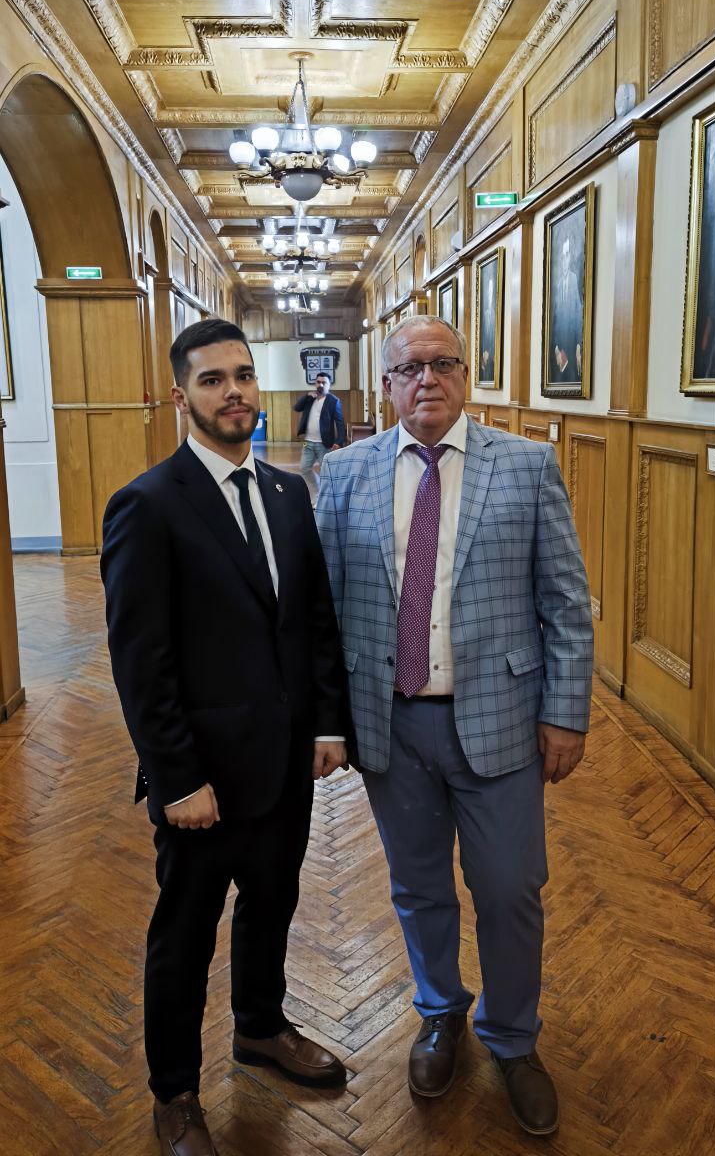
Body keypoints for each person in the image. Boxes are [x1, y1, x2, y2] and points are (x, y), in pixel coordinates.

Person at [316, 315, 593, 1137]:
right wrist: (326, 721)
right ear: (387, 385)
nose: (427, 380)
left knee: (510, 889)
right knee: (418, 886)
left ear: (466, 376)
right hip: (389, 724)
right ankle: (440, 1012)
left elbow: (566, 602)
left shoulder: (527, 465)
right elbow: (321, 613)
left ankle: (513, 1038)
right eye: (409, 368)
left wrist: (565, 713)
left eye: (442, 364)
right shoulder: (345, 472)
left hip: (502, 720)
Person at [101, 318, 351, 1156]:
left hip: (285, 762)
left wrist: (326, 722)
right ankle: (174, 1091)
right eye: (212, 380)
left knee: (272, 904)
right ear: (182, 396)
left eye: (242, 375)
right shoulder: (147, 505)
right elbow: (142, 663)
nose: (233, 391)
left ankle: (260, 1027)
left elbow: (312, 619)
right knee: (184, 935)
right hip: (201, 778)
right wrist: (176, 778)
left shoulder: (286, 492)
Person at [294, 373, 346, 502]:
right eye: (318, 382)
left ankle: (327, 499)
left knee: (326, 473)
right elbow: (297, 408)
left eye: (324, 382)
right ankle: (317, 493)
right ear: (315, 384)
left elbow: (340, 422)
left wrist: (339, 441)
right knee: (304, 469)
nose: (320, 384)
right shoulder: (310, 398)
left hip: (324, 444)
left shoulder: (333, 401)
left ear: (329, 385)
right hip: (308, 442)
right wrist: (306, 396)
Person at [551, 236, 583, 383]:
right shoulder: (558, 285)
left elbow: (578, 316)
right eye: (562, 256)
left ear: (570, 258)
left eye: (567, 255)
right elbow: (555, 322)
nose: (564, 260)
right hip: (560, 353)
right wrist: (556, 349)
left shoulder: (574, 279)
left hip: (572, 348)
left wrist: (578, 347)